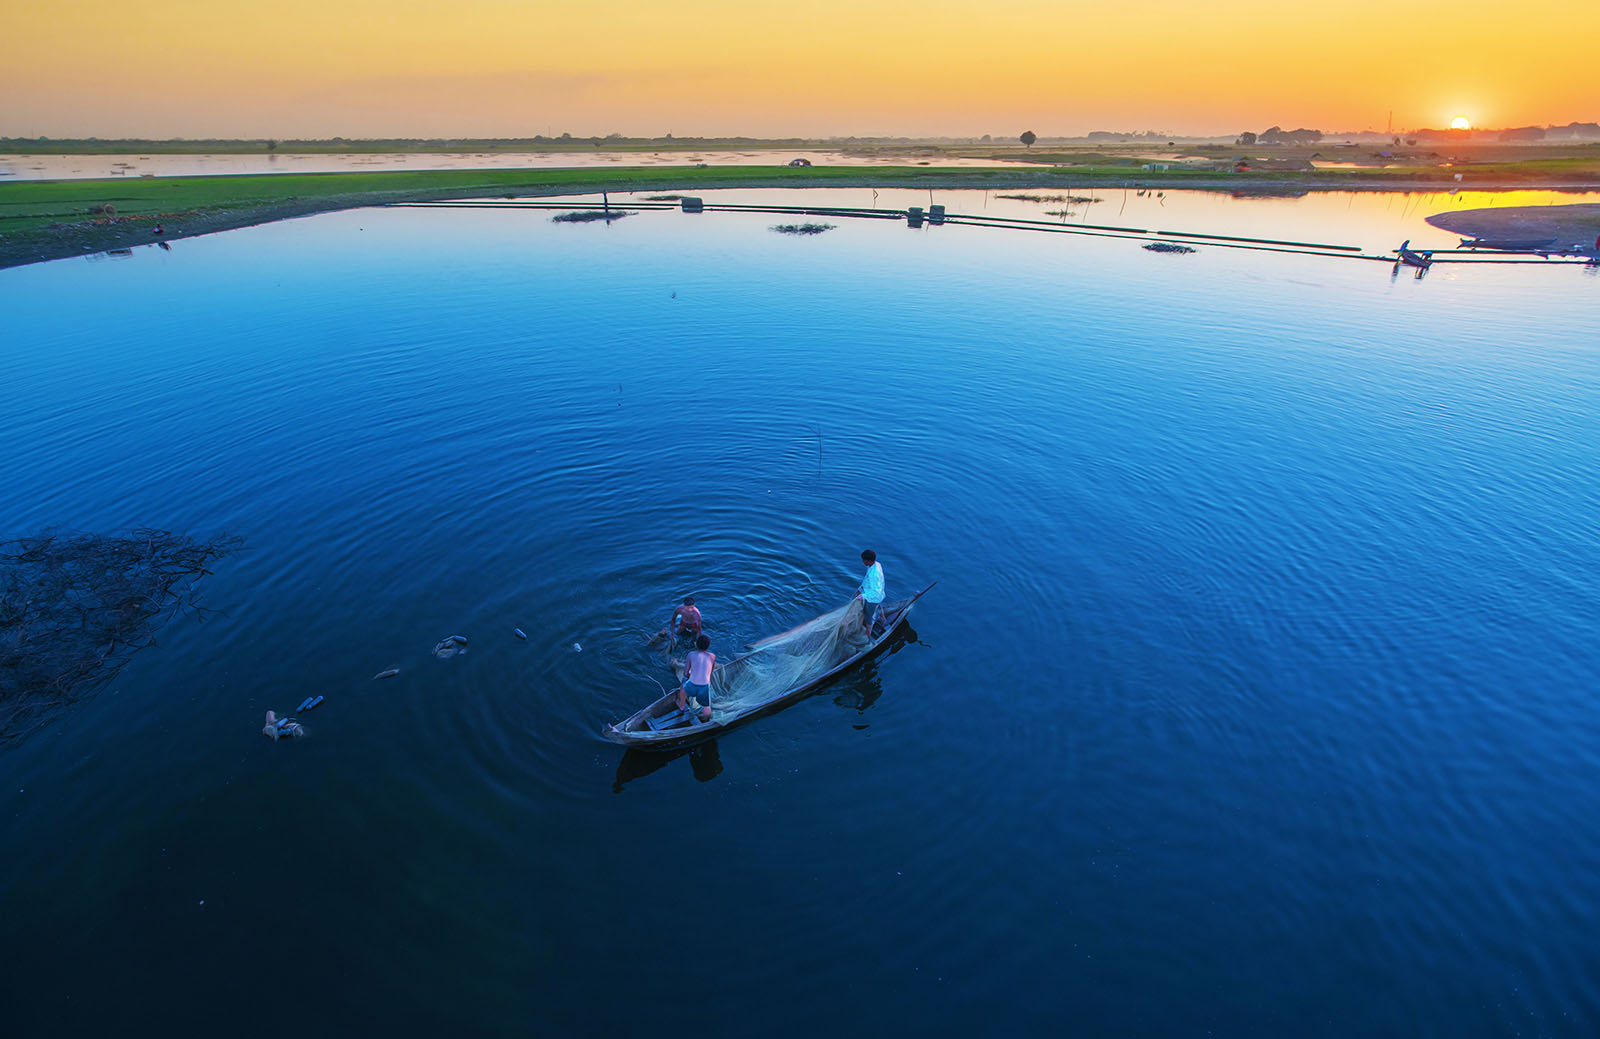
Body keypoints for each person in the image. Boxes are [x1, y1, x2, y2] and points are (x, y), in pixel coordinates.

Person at [676, 634, 715, 723]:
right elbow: (711, 671)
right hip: (704, 684)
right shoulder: (712, 656)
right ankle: (706, 718)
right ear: (708, 646)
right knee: (706, 704)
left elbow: (685, 673)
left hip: (692, 683)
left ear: (696, 644)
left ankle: (681, 705)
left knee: (683, 683)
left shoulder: (691, 655)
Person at [855, 549, 885, 637]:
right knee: (879, 604)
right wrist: (860, 589)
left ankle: (867, 639)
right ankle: (883, 618)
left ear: (869, 561)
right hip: (879, 595)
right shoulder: (876, 564)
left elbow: (876, 592)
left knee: (868, 620)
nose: (862, 561)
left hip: (873, 598)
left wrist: (863, 596)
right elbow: (867, 580)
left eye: (864, 560)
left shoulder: (874, 574)